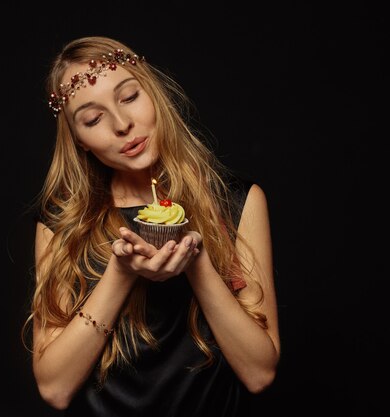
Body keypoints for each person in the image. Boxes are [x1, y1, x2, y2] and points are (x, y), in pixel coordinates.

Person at [24, 36, 280, 416]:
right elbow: (54, 388)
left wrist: (196, 261)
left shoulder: (237, 202)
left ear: (155, 94)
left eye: (129, 97)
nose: (123, 124)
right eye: (93, 119)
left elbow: (260, 373)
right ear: (79, 141)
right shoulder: (62, 224)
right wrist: (121, 272)